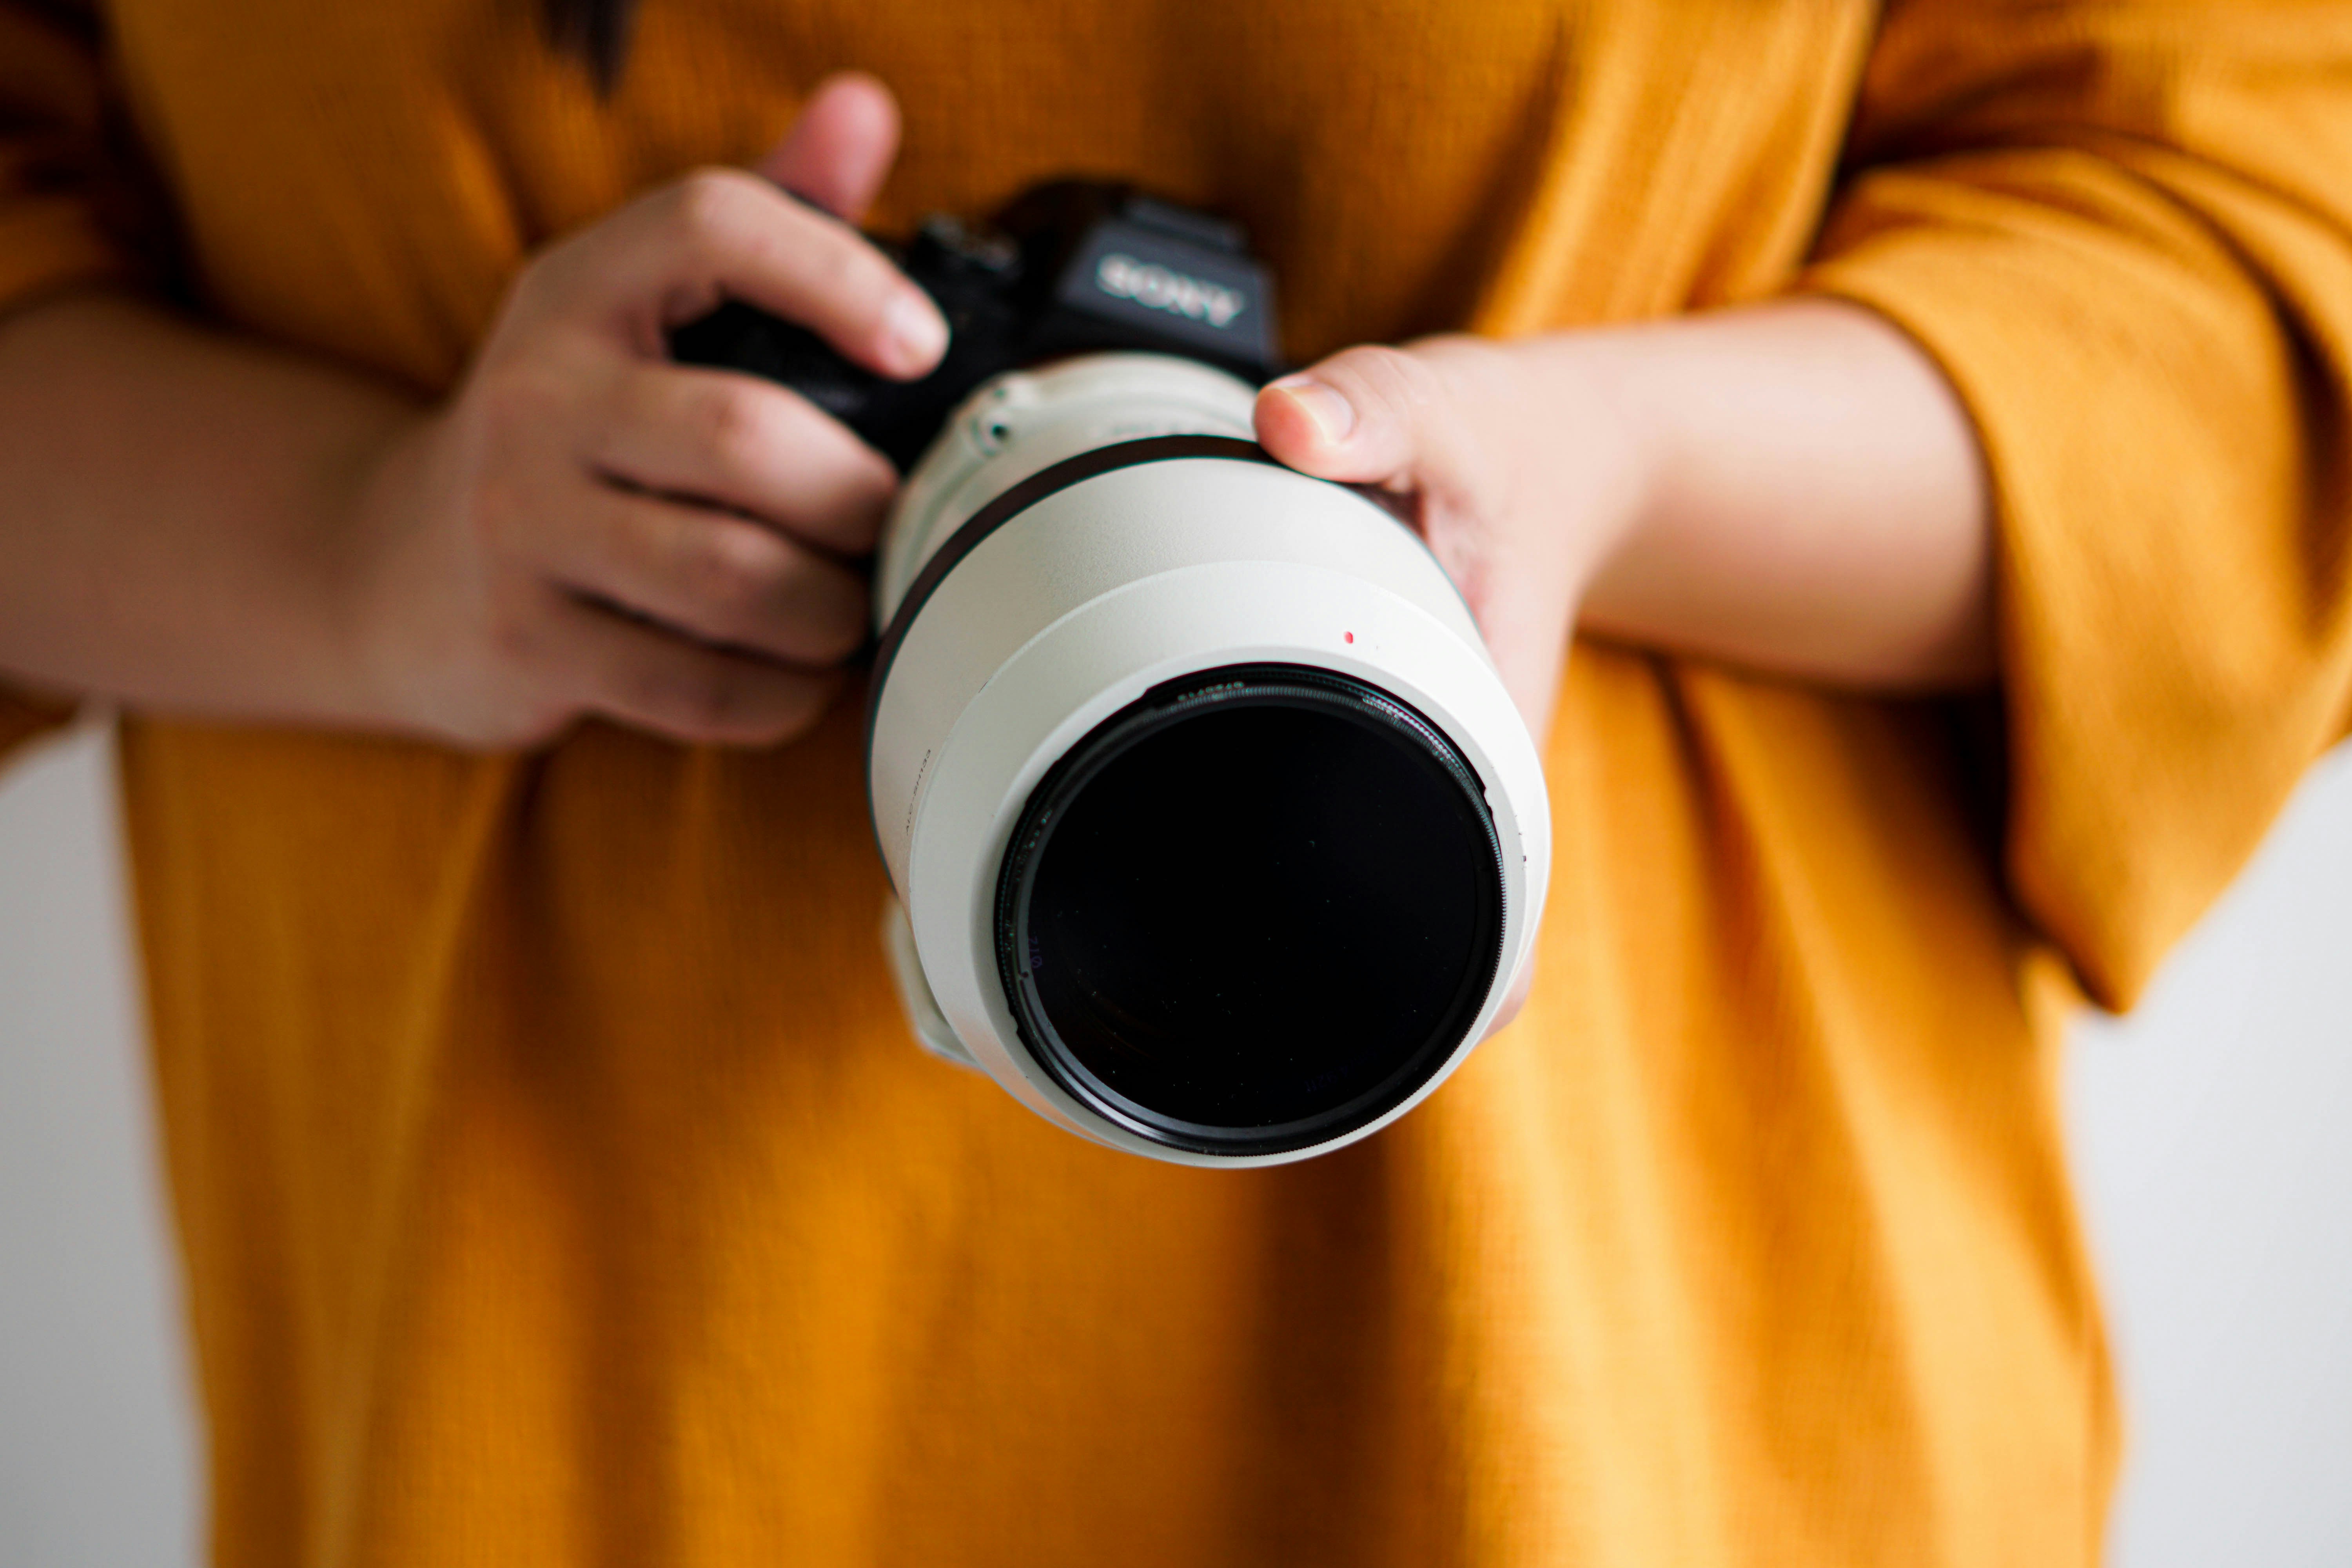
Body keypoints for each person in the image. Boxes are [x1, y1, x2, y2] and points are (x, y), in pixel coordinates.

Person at [1, 1, 2346, 1561]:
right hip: (562, 1397)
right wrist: (386, 547)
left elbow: (2250, 253)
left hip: (1627, 1411)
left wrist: (1581, 464)